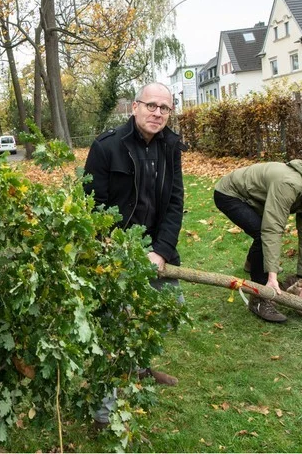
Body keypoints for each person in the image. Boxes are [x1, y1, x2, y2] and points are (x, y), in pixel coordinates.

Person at [83, 82, 186, 389]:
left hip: (157, 249)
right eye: (151, 105)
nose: (157, 113)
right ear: (135, 106)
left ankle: (139, 366)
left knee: (170, 309)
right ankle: (105, 405)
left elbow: (175, 202)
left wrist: (162, 251)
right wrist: (123, 250)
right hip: (116, 252)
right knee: (115, 324)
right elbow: (93, 208)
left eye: (164, 108)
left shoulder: (171, 147)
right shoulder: (106, 147)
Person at [213, 161, 302, 323]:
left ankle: (253, 263)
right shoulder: (290, 183)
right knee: (261, 233)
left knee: (263, 232)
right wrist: (271, 277)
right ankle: (259, 297)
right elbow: (272, 229)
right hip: (232, 193)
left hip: (258, 198)